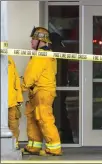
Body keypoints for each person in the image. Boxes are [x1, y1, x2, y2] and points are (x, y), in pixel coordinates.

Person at [21, 27, 62, 156]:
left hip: (42, 92)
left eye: (33, 39)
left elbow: (31, 75)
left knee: (44, 118)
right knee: (32, 118)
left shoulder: (40, 55)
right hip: (39, 91)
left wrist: (20, 88)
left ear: (40, 40)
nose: (31, 42)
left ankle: (54, 148)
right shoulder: (48, 54)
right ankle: (34, 146)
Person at [8, 56, 23, 150]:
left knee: (13, 125)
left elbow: (16, 80)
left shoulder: (9, 59)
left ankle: (14, 145)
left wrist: (19, 98)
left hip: (11, 100)